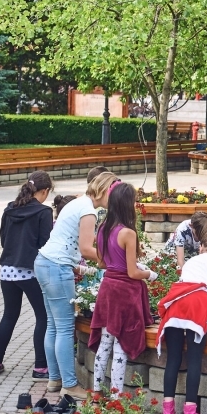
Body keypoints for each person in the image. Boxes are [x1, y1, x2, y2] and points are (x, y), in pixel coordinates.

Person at [34, 171, 118, 400]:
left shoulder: (78, 202)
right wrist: (113, 261)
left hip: (44, 263)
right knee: (64, 328)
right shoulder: (88, 210)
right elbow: (86, 249)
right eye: (114, 191)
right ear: (105, 190)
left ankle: (54, 379)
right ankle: (70, 385)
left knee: (53, 325)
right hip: (57, 267)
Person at [156, 230, 207, 414]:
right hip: (197, 307)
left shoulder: (191, 261)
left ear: (203, 245)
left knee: (173, 358)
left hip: (175, 305)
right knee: (194, 360)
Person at [88, 183, 155, 396]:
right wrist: (149, 273)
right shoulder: (128, 232)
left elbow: (100, 264)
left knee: (104, 345)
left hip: (107, 290)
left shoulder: (103, 228)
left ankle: (97, 392)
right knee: (121, 347)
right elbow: (133, 273)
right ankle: (116, 396)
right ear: (127, 204)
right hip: (124, 293)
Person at [0, 171, 53, 379]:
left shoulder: (9, 209)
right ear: (44, 191)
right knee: (43, 316)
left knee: (9, 314)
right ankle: (40, 368)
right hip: (29, 271)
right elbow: (46, 244)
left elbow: (3, 239)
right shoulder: (44, 212)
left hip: (6, 270)